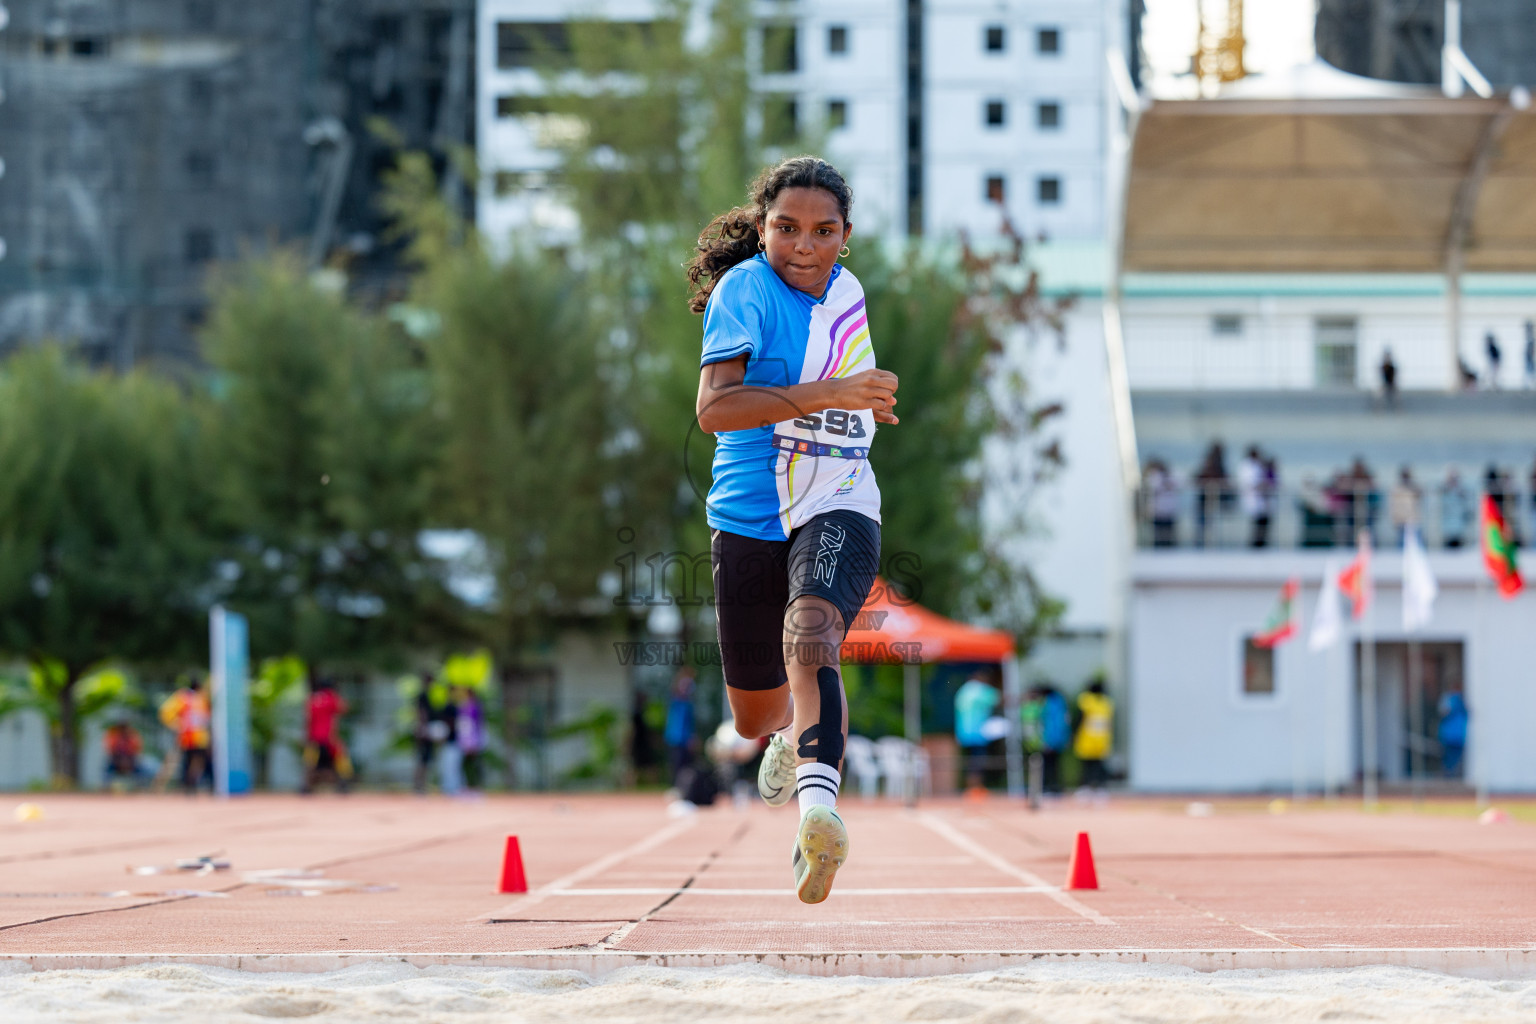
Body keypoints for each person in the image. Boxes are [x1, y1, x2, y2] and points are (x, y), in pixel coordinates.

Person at [689, 155, 895, 904]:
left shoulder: (850, 293)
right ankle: (783, 735)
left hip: (838, 497)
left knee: (812, 634)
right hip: (747, 515)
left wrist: (868, 399)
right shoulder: (744, 290)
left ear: (846, 235)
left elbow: (849, 392)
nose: (804, 247)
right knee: (753, 715)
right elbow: (716, 409)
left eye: (823, 231)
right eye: (786, 228)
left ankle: (819, 817)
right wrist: (834, 393)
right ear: (762, 226)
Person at [159, 675, 211, 794]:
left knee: (189, 761)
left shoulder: (186, 697)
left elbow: (166, 711)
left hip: (190, 735)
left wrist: (175, 724)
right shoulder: (194, 697)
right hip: (193, 736)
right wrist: (176, 724)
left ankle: (188, 784)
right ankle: (188, 784)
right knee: (193, 761)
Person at [302, 675, 351, 794]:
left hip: (314, 736)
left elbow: (308, 718)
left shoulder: (312, 699)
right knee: (340, 758)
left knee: (310, 763)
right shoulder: (331, 697)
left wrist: (306, 735)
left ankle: (306, 786)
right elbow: (344, 709)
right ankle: (343, 783)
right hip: (329, 737)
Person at [954, 674, 1000, 792]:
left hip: (963, 733)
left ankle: (970, 787)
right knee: (978, 761)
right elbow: (997, 698)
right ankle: (975, 788)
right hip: (977, 734)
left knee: (969, 760)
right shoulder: (979, 690)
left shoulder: (963, 691)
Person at [1072, 680, 1114, 793]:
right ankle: (1100, 787)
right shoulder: (1106, 703)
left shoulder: (1086, 701)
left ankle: (1086, 786)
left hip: (1087, 738)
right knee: (1098, 765)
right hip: (1102, 740)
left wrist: (1074, 733)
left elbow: (1080, 719)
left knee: (1086, 765)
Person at [663, 669, 698, 787]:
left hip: (684, 740)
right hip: (675, 739)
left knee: (686, 767)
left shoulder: (688, 704)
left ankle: (684, 788)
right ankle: (676, 788)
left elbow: (689, 724)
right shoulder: (676, 702)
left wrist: (691, 738)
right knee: (676, 765)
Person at [1193, 442, 1229, 548]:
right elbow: (1199, 477)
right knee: (1203, 523)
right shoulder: (1210, 463)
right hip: (1205, 498)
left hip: (1213, 499)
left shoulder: (1218, 464)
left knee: (1210, 523)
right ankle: (1202, 544)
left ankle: (1208, 544)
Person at [1237, 445, 1270, 548]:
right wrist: (1259, 485)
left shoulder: (1258, 465)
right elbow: (1247, 481)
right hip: (1252, 497)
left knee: (1262, 522)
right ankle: (1254, 544)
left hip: (1260, 499)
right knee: (1255, 523)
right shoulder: (1246, 466)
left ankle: (1260, 543)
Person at [455, 686, 486, 792]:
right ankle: (467, 785)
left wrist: (477, 738)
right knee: (465, 762)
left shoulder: (476, 706)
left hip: (473, 736)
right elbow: (461, 722)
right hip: (465, 736)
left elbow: (478, 723)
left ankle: (475, 785)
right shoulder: (463, 706)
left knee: (474, 761)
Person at [103, 719, 148, 791]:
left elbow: (137, 750)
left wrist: (128, 761)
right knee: (107, 770)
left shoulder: (132, 735)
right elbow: (110, 750)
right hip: (116, 760)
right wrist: (119, 761)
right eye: (121, 727)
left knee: (141, 770)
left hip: (130, 760)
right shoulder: (113, 736)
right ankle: (106, 787)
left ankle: (140, 787)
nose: (122, 729)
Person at [1144, 459, 1179, 547]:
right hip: (1159, 511)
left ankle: (1168, 546)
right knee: (1159, 534)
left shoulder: (1169, 477)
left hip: (1167, 510)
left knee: (1167, 534)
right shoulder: (1155, 478)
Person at [1437, 687, 1468, 777]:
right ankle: (1449, 776)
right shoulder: (1449, 698)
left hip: (1458, 736)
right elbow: (1443, 712)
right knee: (1450, 760)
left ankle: (1452, 776)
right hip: (1450, 737)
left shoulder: (1460, 699)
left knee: (1455, 761)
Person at [1388, 466, 1421, 547]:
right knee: (1401, 542)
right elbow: (1393, 506)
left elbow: (1420, 496)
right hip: (1401, 519)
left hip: (1412, 519)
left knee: (1416, 543)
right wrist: (1394, 519)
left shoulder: (1414, 488)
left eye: (1407, 476)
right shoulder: (1396, 489)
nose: (1406, 478)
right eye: (1404, 476)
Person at [1441, 468, 1473, 548]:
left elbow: (1467, 505)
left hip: (1459, 523)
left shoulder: (1462, 491)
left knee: (1459, 544)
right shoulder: (1445, 490)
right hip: (1448, 523)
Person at [1525, 321, 1535, 389]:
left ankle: (1531, 384)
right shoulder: (1529, 338)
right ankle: (1530, 384)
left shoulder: (1531, 338)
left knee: (1531, 371)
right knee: (1529, 371)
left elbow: (1532, 349)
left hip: (1530, 358)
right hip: (1529, 358)